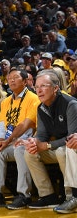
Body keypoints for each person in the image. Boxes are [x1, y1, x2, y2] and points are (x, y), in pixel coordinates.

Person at [0, 68, 40, 208]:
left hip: (28, 140)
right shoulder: (6, 101)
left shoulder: (33, 98)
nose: (12, 80)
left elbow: (26, 125)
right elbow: (2, 124)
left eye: (15, 77)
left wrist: (8, 141)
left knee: (20, 149)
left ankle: (24, 194)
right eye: (9, 78)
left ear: (25, 81)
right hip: (10, 140)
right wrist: (0, 141)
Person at [23, 70, 77, 209]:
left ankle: (71, 196)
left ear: (56, 88)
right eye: (36, 87)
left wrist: (46, 146)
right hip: (55, 147)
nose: (39, 90)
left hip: (69, 149)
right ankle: (47, 195)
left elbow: (72, 138)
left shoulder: (70, 104)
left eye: (43, 86)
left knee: (63, 151)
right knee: (29, 152)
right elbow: (41, 135)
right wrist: (34, 142)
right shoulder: (40, 108)